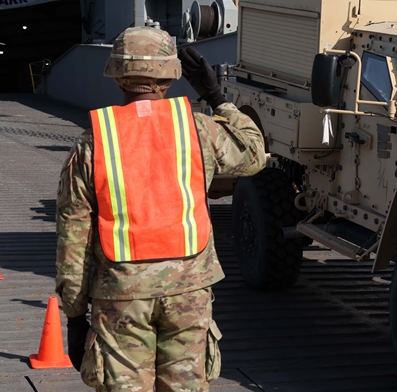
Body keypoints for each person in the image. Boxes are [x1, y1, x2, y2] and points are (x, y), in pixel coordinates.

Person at [55, 27, 266, 391]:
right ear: (171, 75)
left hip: (121, 292)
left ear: (117, 74)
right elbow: (254, 154)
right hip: (188, 289)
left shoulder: (94, 140)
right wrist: (216, 97)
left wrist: (74, 315)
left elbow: (74, 234)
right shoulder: (198, 129)